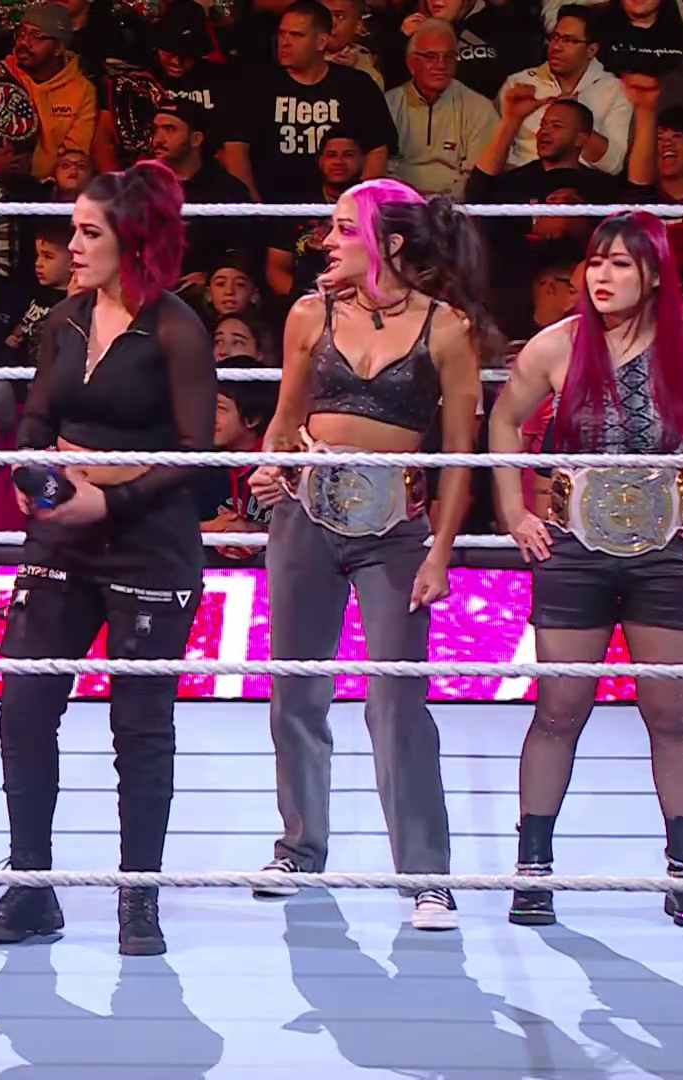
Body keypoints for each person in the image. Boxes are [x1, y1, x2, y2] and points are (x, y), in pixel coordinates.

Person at [0, 161, 216, 958]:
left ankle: (138, 898)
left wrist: (106, 495)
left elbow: (196, 453)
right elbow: (36, 421)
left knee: (139, 725)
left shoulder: (176, 329)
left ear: (131, 241)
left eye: (87, 232)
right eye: (72, 230)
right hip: (62, 537)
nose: (71, 246)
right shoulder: (64, 320)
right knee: (23, 705)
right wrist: (36, 477)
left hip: (148, 544)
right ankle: (31, 887)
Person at [486, 211, 683, 928]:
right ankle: (533, 870)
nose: (601, 277)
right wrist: (514, 511)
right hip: (575, 546)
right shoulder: (558, 344)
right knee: (558, 710)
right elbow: (504, 418)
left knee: (671, 715)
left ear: (654, 275)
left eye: (620, 264)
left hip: (666, 551)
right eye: (596, 262)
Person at [244, 178, 498, 931]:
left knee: (397, 701)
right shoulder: (308, 314)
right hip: (304, 516)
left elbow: (462, 456)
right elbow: (285, 420)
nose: (327, 241)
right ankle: (298, 850)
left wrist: (441, 553)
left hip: (395, 528)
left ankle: (426, 877)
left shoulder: (446, 329)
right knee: (296, 690)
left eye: (343, 228)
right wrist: (269, 467)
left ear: (388, 241)